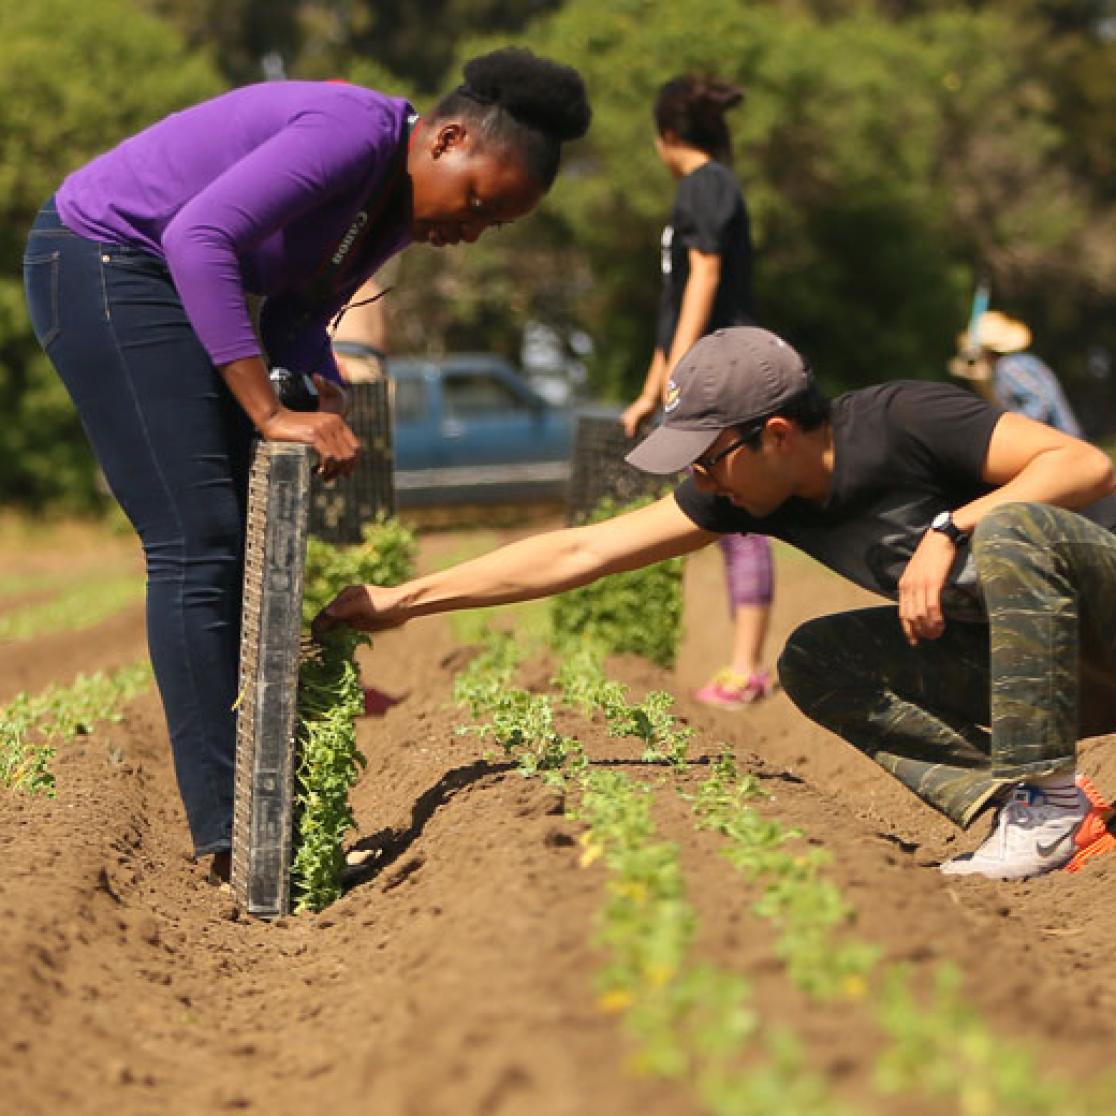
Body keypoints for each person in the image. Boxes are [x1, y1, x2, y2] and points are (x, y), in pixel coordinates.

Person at [23, 48, 590, 880]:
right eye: (474, 201)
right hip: (104, 257)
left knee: (238, 544)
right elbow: (199, 236)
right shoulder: (353, 131)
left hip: (150, 275)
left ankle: (267, 824)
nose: (466, 234)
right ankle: (236, 840)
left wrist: (317, 384)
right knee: (197, 540)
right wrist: (268, 411)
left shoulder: (389, 201)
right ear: (447, 138)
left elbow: (296, 305)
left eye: (488, 227)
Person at [317, 325, 1116, 882]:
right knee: (817, 658)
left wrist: (952, 525)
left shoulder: (906, 420)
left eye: (708, 461)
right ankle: (1029, 805)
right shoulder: (751, 492)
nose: (702, 481)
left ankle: (1048, 807)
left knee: (1012, 533)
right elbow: (582, 551)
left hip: (1102, 614)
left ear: (774, 434)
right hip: (1044, 676)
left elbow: (1080, 464)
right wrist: (407, 597)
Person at [619, 74, 774, 709]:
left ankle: (747, 667)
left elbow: (705, 277)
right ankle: (739, 664)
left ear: (668, 135)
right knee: (719, 509)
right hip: (700, 369)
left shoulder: (706, 185)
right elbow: (674, 303)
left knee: (741, 513)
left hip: (725, 371)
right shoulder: (698, 190)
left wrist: (684, 368)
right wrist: (650, 389)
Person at [949, 309, 1084, 437]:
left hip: (1058, 441)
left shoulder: (1009, 368)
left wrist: (1017, 430)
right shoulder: (1015, 364)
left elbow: (1040, 401)